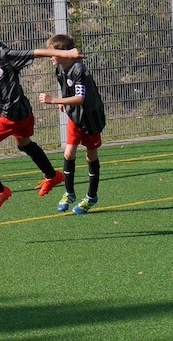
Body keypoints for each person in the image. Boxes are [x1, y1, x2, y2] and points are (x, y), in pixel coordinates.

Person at [0, 16, 82, 217]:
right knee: (24, 144)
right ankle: (52, 176)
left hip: (12, 116)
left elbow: (36, 52)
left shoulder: (5, 55)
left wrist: (66, 53)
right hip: (23, 113)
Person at [38, 34, 106, 215]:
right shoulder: (60, 69)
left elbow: (80, 98)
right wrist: (63, 100)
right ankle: (69, 193)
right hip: (74, 117)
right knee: (68, 153)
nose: (50, 57)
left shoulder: (79, 70)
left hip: (90, 118)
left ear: (64, 53)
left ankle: (91, 196)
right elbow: (66, 88)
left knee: (91, 156)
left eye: (52, 53)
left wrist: (54, 100)